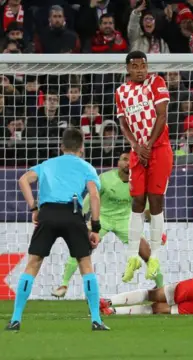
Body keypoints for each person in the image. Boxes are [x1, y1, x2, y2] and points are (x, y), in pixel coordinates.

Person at [6, 128, 108, 331]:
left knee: (33, 264)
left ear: (61, 147)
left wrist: (34, 208)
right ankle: (96, 320)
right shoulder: (86, 167)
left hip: (48, 213)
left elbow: (23, 180)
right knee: (85, 265)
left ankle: (15, 319)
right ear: (82, 147)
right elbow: (94, 196)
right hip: (72, 212)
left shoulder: (47, 164)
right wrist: (95, 227)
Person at [51, 153, 165, 298]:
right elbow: (89, 199)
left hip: (125, 221)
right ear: (118, 163)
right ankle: (64, 284)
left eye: (131, 160)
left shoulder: (139, 182)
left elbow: (148, 210)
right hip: (102, 218)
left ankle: (161, 286)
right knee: (81, 247)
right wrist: (79, 217)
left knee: (146, 251)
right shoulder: (105, 179)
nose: (127, 163)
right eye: (124, 159)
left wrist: (159, 231)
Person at [115, 50, 172, 283]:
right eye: (136, 66)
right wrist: (136, 147)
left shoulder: (156, 81)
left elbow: (162, 115)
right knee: (137, 201)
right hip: (138, 151)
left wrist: (147, 144)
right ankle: (132, 257)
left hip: (159, 149)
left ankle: (155, 256)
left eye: (143, 65)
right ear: (128, 69)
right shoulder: (121, 92)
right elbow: (123, 122)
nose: (141, 70)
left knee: (155, 200)